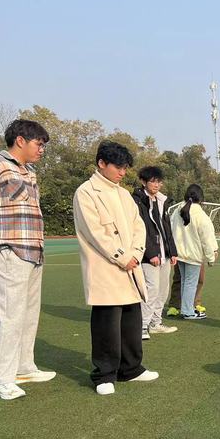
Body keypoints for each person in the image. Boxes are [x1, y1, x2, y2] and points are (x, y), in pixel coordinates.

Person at [0, 119, 56, 400]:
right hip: (6, 251)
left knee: (28, 314)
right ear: (20, 140)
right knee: (10, 316)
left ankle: (23, 367)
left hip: (31, 252)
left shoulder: (28, 172)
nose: (41, 150)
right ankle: (2, 380)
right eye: (38, 144)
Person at [73, 141, 159, 396]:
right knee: (107, 322)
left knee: (132, 319)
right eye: (118, 167)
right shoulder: (86, 192)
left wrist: (136, 254)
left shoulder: (124, 194)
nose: (122, 172)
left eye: (125, 168)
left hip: (130, 265)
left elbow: (138, 226)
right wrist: (122, 257)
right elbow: (95, 233)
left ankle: (131, 368)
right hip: (105, 266)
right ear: (101, 163)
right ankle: (104, 374)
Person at [132, 166, 178, 339]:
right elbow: (139, 229)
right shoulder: (137, 201)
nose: (157, 185)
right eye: (153, 181)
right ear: (143, 182)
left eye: (159, 181)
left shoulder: (161, 201)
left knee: (163, 290)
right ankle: (142, 326)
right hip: (148, 255)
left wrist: (172, 251)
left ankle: (155, 323)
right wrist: (150, 253)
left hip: (164, 254)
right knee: (151, 289)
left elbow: (166, 228)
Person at [170, 184, 218, 320]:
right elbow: (207, 239)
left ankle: (185, 308)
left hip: (179, 254)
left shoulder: (177, 211)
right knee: (190, 283)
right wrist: (211, 258)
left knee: (184, 282)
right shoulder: (201, 216)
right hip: (193, 255)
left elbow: (171, 230)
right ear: (201, 198)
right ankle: (188, 311)